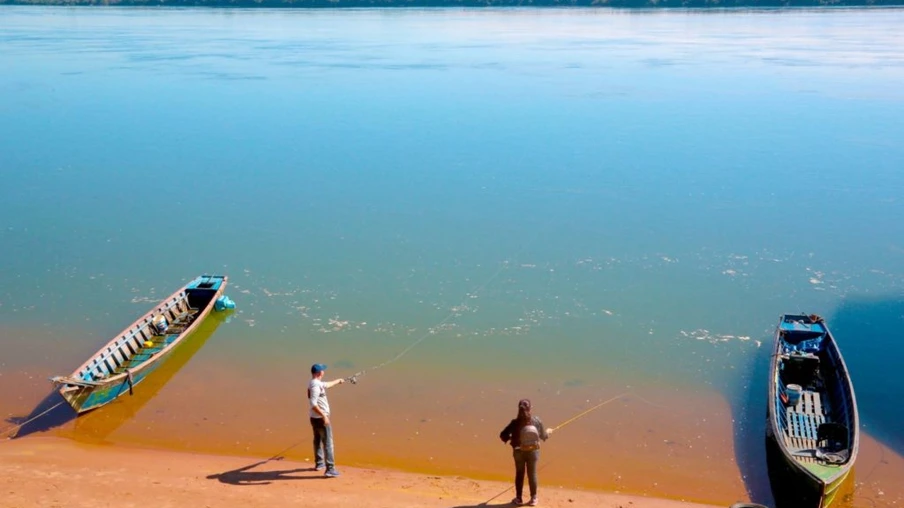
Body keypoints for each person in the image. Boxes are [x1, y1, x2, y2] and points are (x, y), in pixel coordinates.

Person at [499, 399, 553, 506]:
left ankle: (519, 499)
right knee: (532, 473)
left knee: (519, 474)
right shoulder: (537, 421)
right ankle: (533, 499)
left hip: (518, 451)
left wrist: (511, 438)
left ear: (518, 409)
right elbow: (543, 436)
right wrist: (549, 432)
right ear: (530, 408)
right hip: (533, 451)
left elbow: (502, 435)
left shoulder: (514, 423)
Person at [308, 363, 346, 478]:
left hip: (315, 417)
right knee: (328, 443)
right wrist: (324, 416)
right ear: (320, 373)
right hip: (319, 418)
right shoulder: (315, 386)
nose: (324, 372)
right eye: (323, 370)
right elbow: (313, 403)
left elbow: (327, 385)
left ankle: (319, 464)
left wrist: (338, 381)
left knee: (318, 440)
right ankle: (330, 469)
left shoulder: (316, 383)